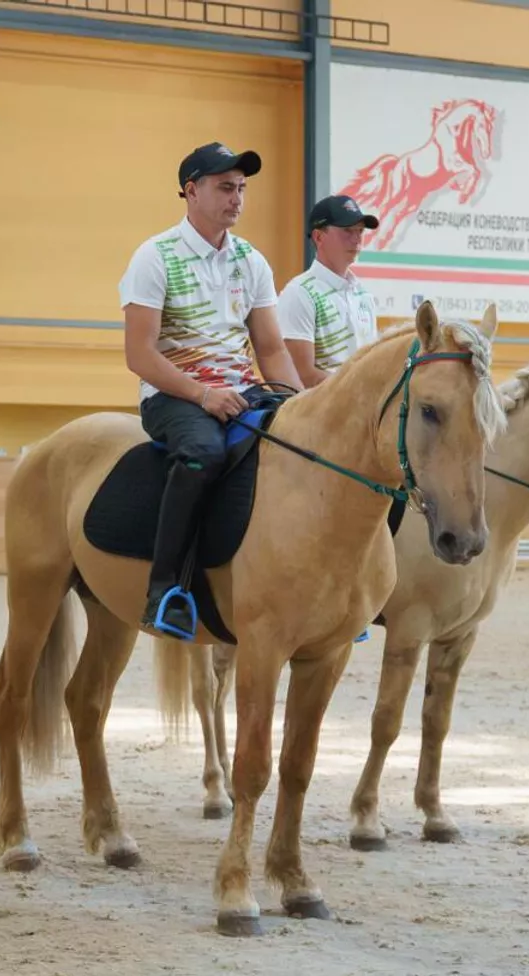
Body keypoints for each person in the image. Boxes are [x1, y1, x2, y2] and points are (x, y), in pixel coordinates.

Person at [119, 142, 302, 637]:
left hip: (243, 389)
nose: (237, 198)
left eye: (241, 188)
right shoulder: (154, 257)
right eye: (226, 187)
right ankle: (165, 591)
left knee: (305, 447)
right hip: (174, 396)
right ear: (191, 190)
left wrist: (301, 402)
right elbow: (140, 356)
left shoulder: (251, 260)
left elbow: (270, 348)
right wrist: (203, 395)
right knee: (202, 453)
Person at [277, 194, 382, 387]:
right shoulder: (299, 293)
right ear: (318, 236)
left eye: (360, 231)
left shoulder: (363, 295)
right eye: (348, 231)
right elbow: (302, 375)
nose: (357, 239)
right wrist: (359, 390)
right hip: (319, 412)